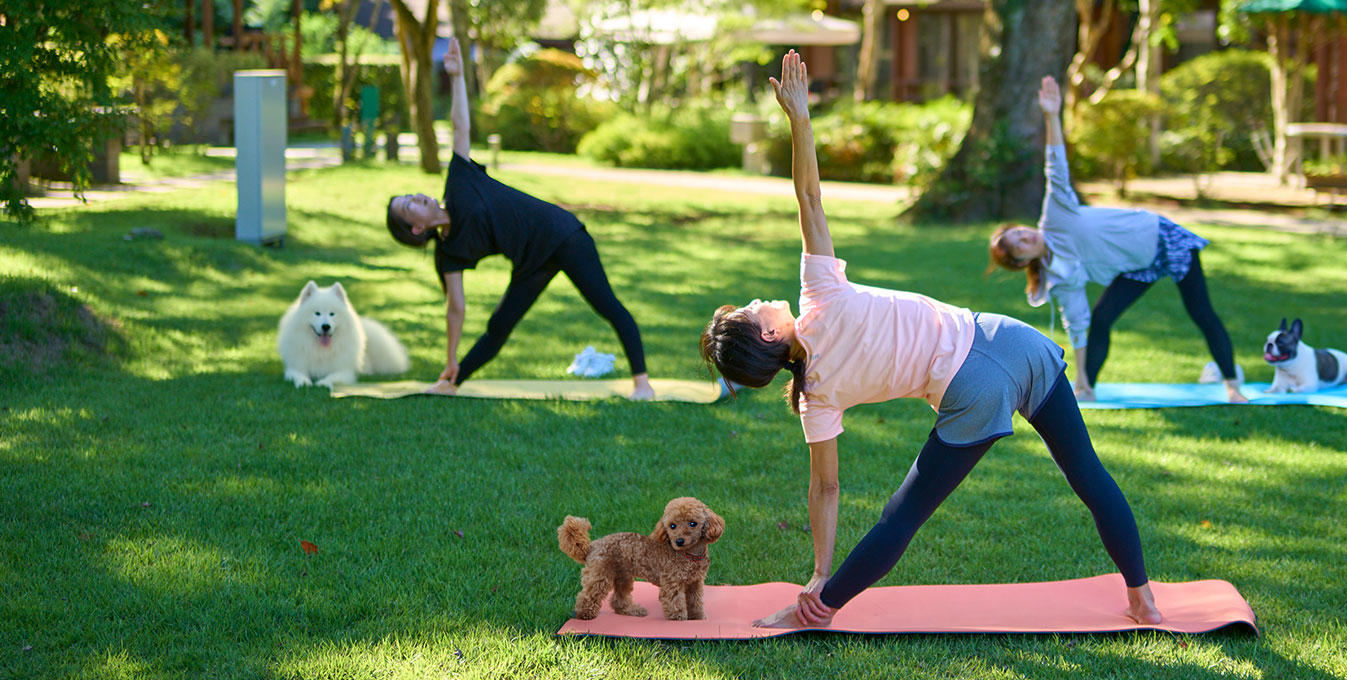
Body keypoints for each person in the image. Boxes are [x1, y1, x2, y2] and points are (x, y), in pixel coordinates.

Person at [699, 51, 1162, 629]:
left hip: (976, 384)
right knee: (1088, 475)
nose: (755, 300)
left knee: (905, 513)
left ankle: (819, 608)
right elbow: (810, 198)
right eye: (749, 311)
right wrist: (800, 119)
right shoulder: (820, 293)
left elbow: (827, 487)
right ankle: (1142, 597)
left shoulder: (815, 396)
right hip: (1014, 343)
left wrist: (821, 569)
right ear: (769, 332)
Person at [385, 38, 652, 399]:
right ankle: (452, 379)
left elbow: (460, 127)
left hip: (563, 235)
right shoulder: (448, 253)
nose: (416, 197)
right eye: (408, 206)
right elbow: (455, 308)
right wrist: (449, 356)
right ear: (416, 228)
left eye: (410, 195)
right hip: (531, 262)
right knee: (498, 326)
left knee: (607, 306)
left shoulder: (459, 183)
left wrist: (459, 76)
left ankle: (642, 385)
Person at [989, 76, 1247, 404]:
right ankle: (1087, 387)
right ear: (1023, 262)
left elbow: (1055, 166)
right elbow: (1077, 323)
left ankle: (1231, 385)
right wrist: (1078, 381)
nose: (1026, 236)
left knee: (1201, 312)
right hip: (1138, 266)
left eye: (1020, 231)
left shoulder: (1056, 215)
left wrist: (1052, 116)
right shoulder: (1059, 277)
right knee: (1100, 319)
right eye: (1019, 244)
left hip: (1164, 239)